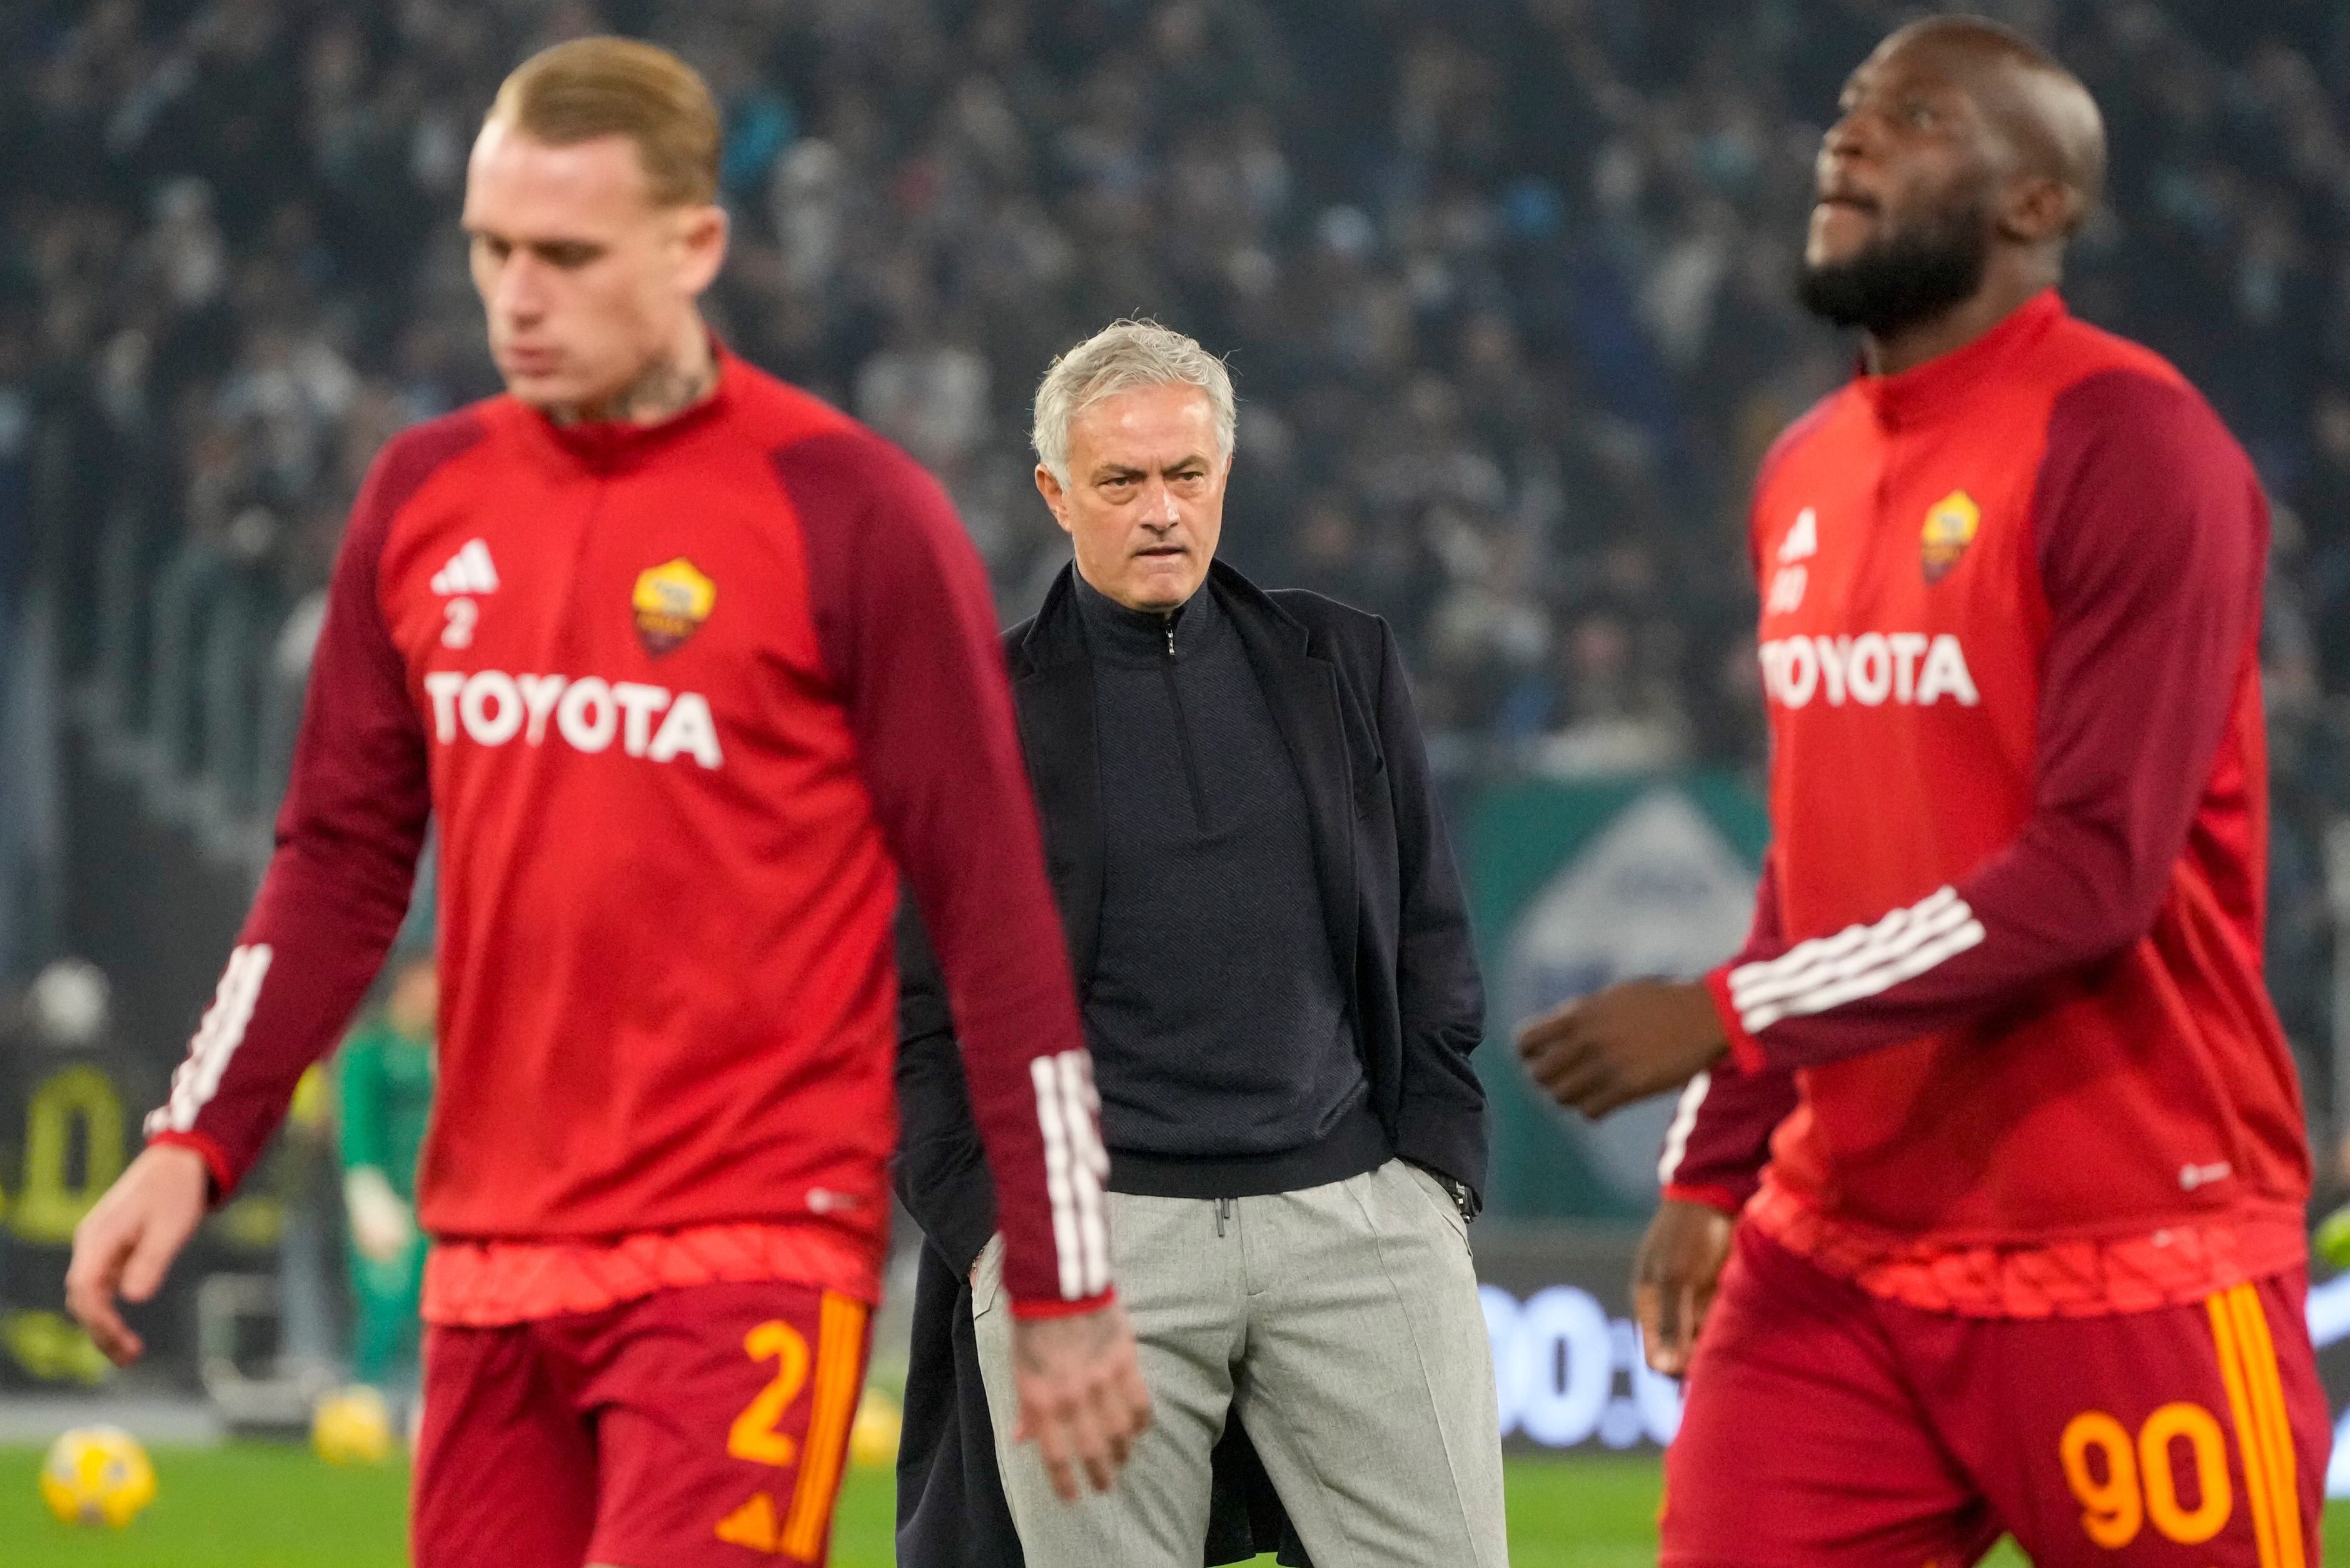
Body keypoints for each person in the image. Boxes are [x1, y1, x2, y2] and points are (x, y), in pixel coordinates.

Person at [64, 37, 1147, 1568]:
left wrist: (1059, 1275)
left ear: (693, 245)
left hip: (751, 1245)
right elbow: (336, 864)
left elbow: (993, 915)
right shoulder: (421, 499)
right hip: (489, 1260)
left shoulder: (852, 516)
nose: (517, 294)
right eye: (492, 249)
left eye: (565, 254)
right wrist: (193, 1136)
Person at [1518, 17, 2326, 1566]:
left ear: (2034, 205)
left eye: (1914, 117)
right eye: (1844, 113)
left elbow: (2091, 875)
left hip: (2122, 1248)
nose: (1848, 138)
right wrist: (1716, 1156)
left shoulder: (2128, 442)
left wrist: (1731, 1015)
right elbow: (1813, 859)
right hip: (1838, 1254)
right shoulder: (1803, 468)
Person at [894, 319, 1504, 1568]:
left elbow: (1428, 943)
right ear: (1055, 494)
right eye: (1121, 482)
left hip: (1356, 1225)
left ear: (1225, 476)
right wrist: (1000, 1239)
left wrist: (1432, 1176)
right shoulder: (969, 710)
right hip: (1097, 1247)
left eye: (1187, 475)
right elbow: (911, 1016)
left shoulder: (1344, 658)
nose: (1160, 510)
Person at [336, 950, 437, 1395]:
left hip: (440, 1198)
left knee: (435, 1307)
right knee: (384, 1300)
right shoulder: (369, 1048)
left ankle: (429, 1401)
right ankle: (366, 1397)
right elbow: (355, 1126)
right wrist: (365, 1193)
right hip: (385, 1196)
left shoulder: (449, 1046)